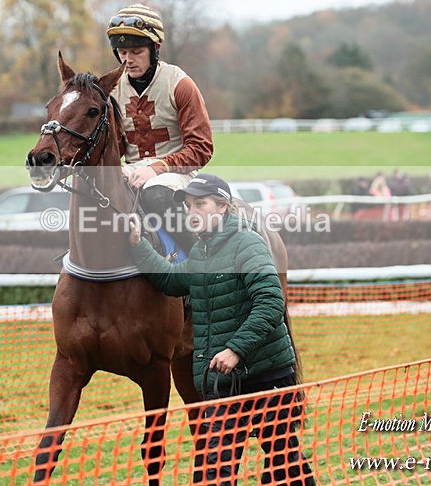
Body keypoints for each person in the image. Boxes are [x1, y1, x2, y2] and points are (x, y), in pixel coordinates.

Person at [127, 174, 315, 486]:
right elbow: (169, 279)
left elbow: (270, 303)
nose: (191, 213)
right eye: (188, 206)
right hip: (223, 382)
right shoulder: (201, 252)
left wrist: (235, 349)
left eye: (199, 204)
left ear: (223, 207)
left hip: (266, 377)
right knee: (214, 471)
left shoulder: (248, 242)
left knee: (284, 463)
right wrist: (138, 245)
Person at [107, 3, 213, 252]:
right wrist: (114, 168)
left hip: (176, 174)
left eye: (136, 52)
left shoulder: (180, 84)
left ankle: (201, 260)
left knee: (154, 192)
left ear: (155, 49)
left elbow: (202, 148)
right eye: (122, 52)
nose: (128, 60)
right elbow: (115, 146)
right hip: (132, 172)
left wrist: (157, 168)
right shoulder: (112, 89)